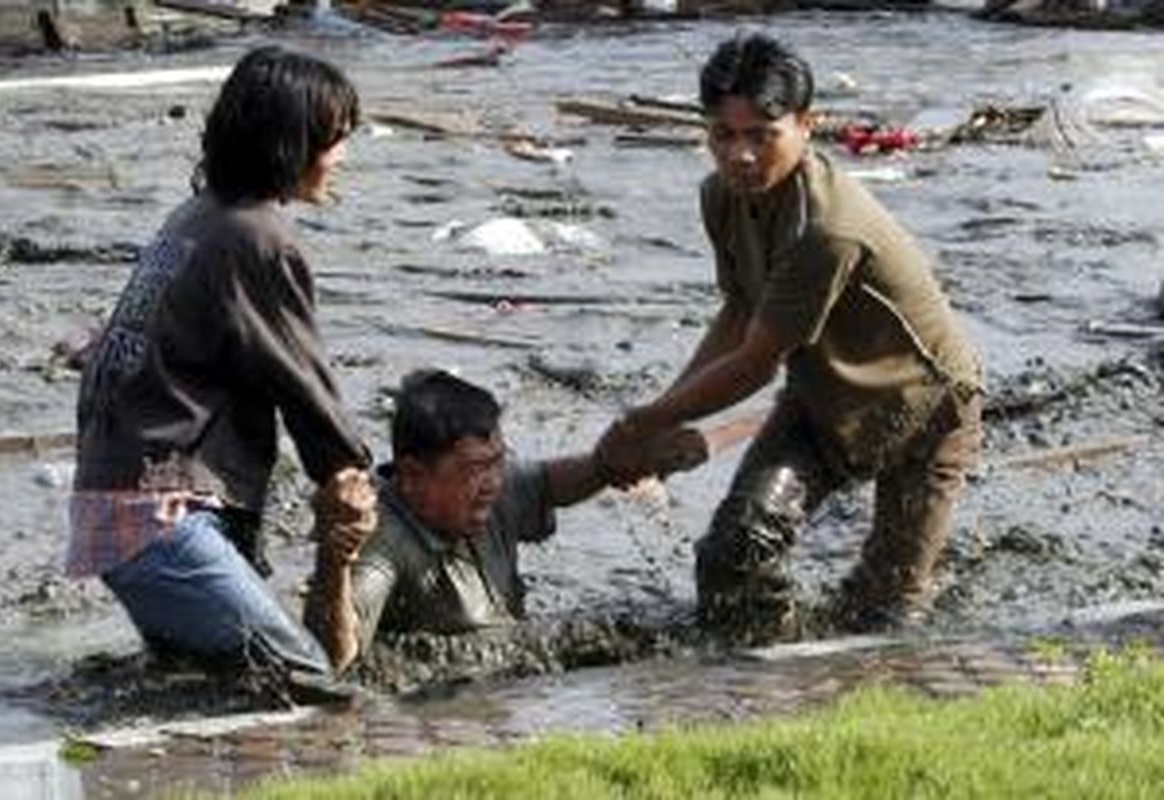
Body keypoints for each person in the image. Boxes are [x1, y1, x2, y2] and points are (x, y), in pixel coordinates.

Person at [600, 34, 984, 639]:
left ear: (808, 126)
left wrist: (639, 425)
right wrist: (664, 426)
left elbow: (755, 363)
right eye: (724, 135)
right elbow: (738, 315)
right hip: (822, 399)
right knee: (735, 550)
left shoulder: (826, 229)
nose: (741, 156)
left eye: (762, 135)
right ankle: (758, 676)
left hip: (926, 407)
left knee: (886, 617)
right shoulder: (721, 198)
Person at [66, 46, 376, 699]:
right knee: (312, 690)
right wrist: (348, 471)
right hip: (160, 515)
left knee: (204, 690)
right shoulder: (257, 236)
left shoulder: (196, 217)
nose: (343, 153)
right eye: (334, 136)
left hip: (115, 502)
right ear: (290, 143)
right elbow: (300, 378)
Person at [306, 370, 703, 663]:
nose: (493, 483)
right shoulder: (380, 538)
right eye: (475, 469)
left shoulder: (494, 487)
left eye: (498, 462)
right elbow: (333, 660)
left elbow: (549, 484)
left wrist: (614, 461)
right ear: (412, 476)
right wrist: (334, 564)